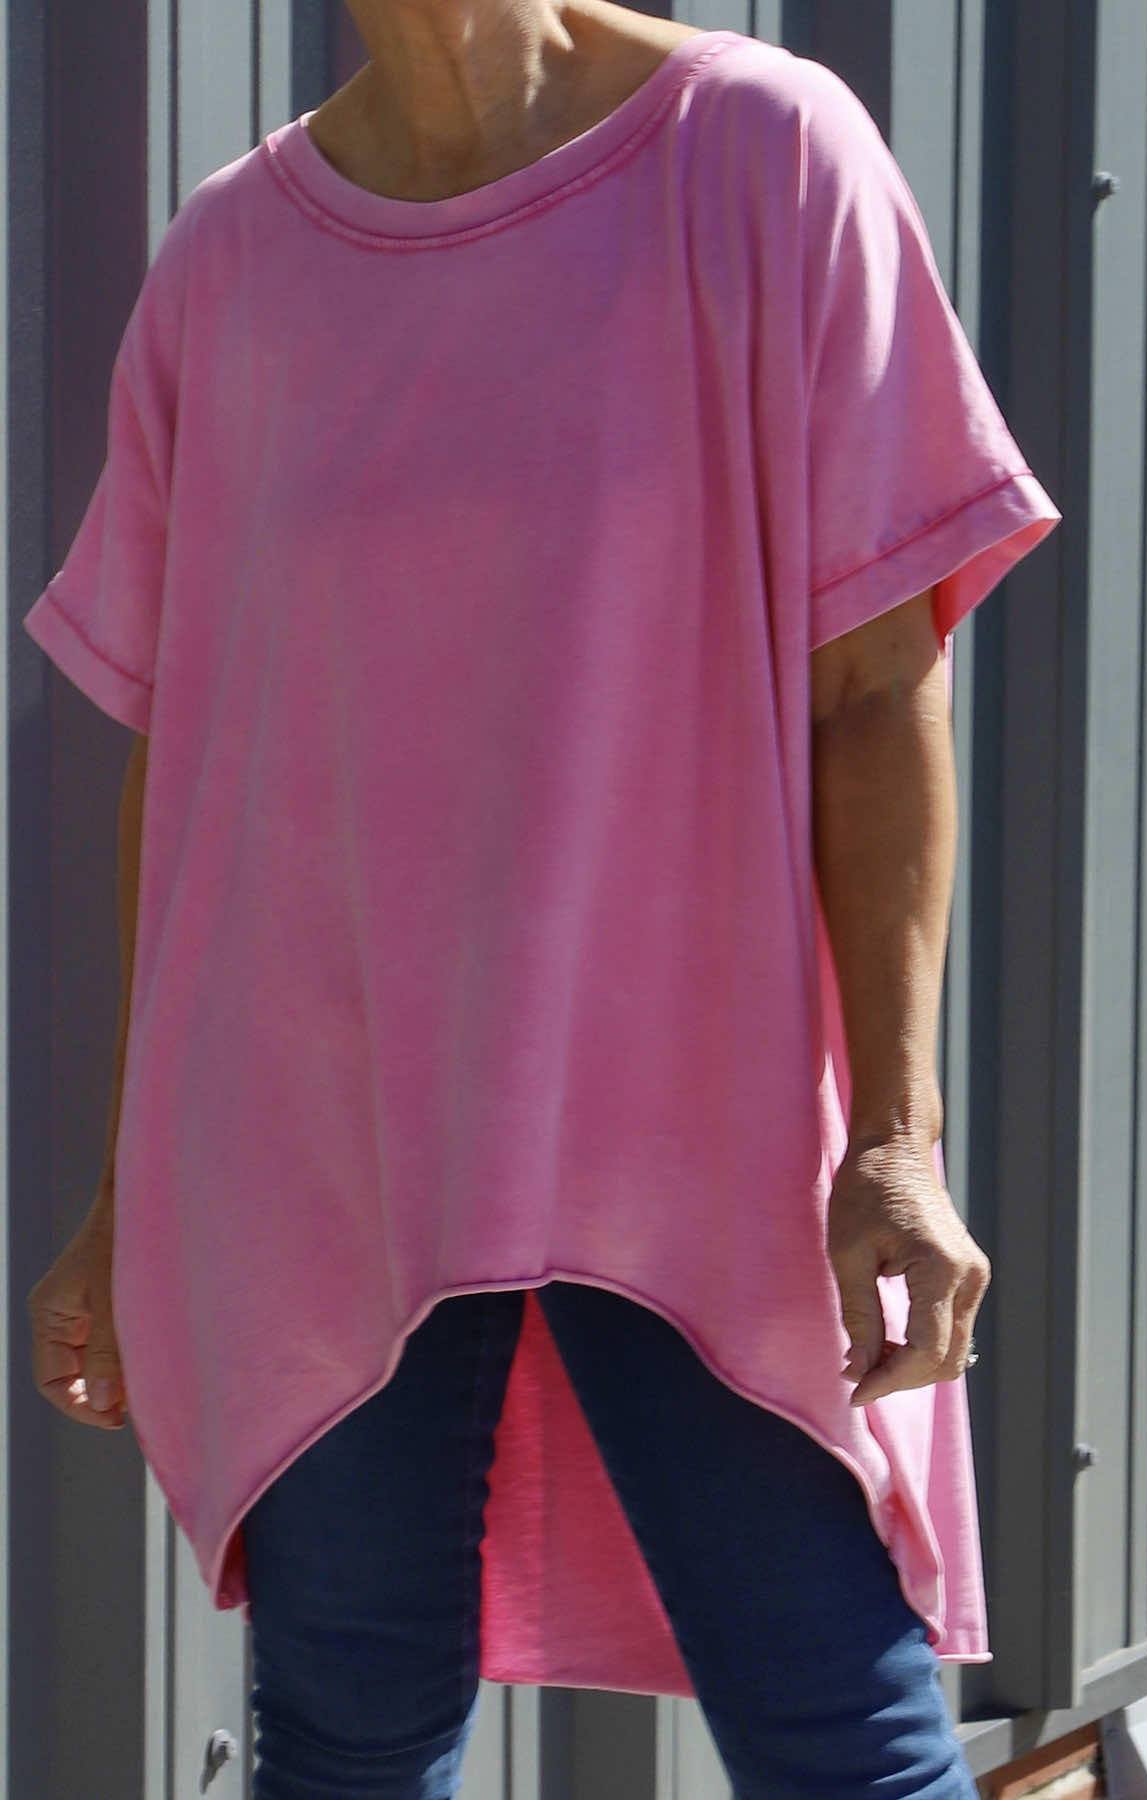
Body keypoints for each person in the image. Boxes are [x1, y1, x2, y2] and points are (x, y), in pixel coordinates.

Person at [25, 1, 1062, 1794]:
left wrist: (896, 1137)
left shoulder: (762, 158)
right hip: (309, 1152)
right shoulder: (231, 262)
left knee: (841, 1730)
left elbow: (874, 683)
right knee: (344, 1749)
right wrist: (128, 1205)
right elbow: (186, 765)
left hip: (686, 1133)